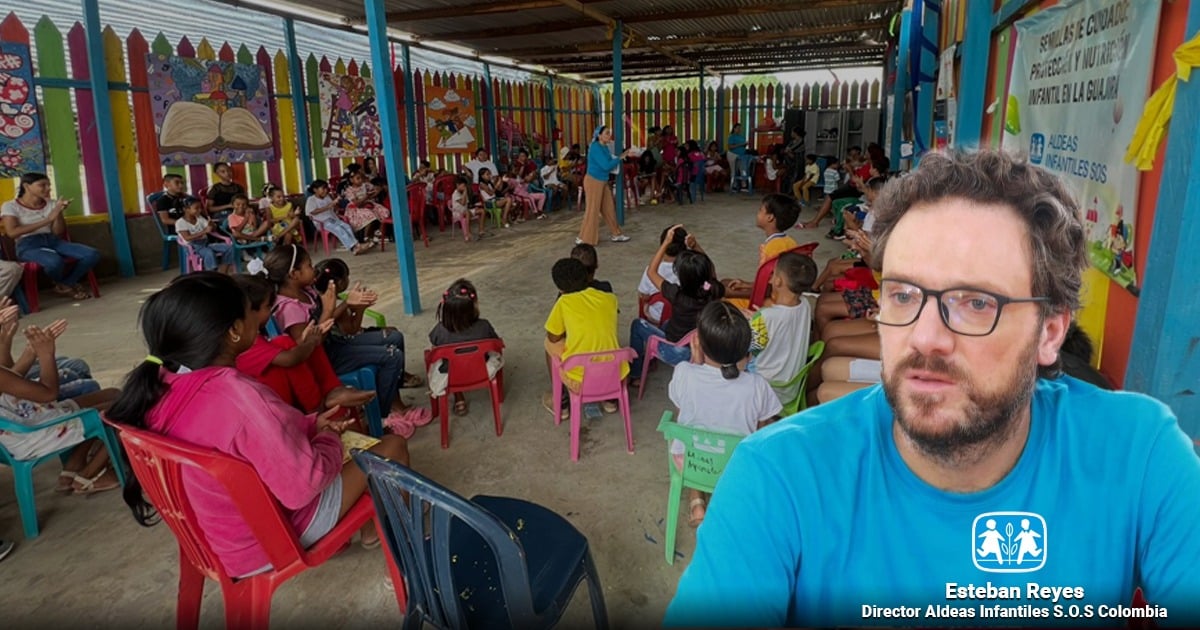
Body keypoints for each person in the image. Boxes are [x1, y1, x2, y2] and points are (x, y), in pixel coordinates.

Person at [664, 150, 1200, 627]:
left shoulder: (1139, 454)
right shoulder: (778, 477)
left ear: (1050, 331)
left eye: (977, 302)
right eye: (903, 295)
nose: (924, 337)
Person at [107, 273, 412, 577]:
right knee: (392, 448)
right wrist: (328, 439)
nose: (259, 317)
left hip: (217, 539)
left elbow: (264, 436)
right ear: (234, 330)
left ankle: (371, 528)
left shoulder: (161, 385)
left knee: (351, 452)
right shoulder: (237, 395)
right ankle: (403, 545)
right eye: (250, 310)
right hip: (268, 540)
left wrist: (312, 425)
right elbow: (305, 486)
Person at [263, 247, 429, 431]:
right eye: (308, 265)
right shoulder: (289, 308)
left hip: (334, 344)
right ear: (294, 274)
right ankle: (381, 417)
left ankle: (393, 401)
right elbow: (310, 346)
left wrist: (349, 304)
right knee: (392, 356)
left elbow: (335, 322)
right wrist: (334, 308)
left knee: (395, 337)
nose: (313, 269)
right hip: (324, 359)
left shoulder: (307, 291)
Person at [669, 301, 781, 527]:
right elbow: (762, 432)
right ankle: (732, 503)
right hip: (737, 468)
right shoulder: (757, 385)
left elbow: (683, 417)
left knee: (694, 436)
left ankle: (697, 503)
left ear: (699, 343)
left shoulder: (683, 373)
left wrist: (696, 365)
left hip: (692, 463)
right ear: (745, 349)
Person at [0, 317, 121, 495]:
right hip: (34, 434)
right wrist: (46, 354)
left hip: (24, 422)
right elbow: (48, 394)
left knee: (113, 394)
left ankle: (73, 466)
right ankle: (87, 476)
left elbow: (9, 380)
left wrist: (31, 351)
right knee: (123, 409)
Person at [233, 274, 375, 422]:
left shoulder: (252, 337)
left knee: (302, 341)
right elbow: (290, 359)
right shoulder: (246, 345)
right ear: (249, 312)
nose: (270, 311)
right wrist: (310, 341)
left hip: (282, 390)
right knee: (293, 344)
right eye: (268, 307)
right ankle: (316, 407)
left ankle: (332, 389)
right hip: (273, 404)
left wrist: (308, 340)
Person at [629, 225, 725, 383]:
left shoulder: (677, 295)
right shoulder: (711, 289)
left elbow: (651, 272)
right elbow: (711, 270)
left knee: (637, 324)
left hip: (677, 352)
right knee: (667, 322)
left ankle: (636, 374)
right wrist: (696, 246)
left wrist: (665, 243)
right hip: (701, 347)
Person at [541, 257, 625, 419]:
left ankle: (561, 402)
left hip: (581, 381)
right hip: (616, 376)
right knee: (604, 338)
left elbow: (553, 337)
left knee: (548, 344)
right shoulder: (610, 298)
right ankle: (610, 400)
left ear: (560, 289)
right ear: (587, 277)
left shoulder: (563, 302)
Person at [1, 173, 101, 301]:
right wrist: (47, 220)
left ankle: (65, 283)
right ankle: (66, 285)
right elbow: (12, 232)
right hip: (27, 245)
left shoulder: (52, 203)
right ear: (26, 186)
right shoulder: (10, 206)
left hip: (52, 240)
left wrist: (58, 212)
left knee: (92, 254)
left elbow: (58, 232)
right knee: (54, 262)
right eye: (42, 185)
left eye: (49, 185)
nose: (48, 188)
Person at [746, 252, 817, 406]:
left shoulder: (766, 317)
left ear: (778, 281)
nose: (770, 278)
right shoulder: (805, 304)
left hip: (768, 390)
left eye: (773, 274)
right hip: (791, 388)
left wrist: (751, 322)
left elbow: (750, 348)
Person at [428, 279, 501, 417]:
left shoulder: (440, 330)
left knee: (436, 354)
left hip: (450, 376)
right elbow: (496, 343)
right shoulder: (484, 326)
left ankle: (459, 398)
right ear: (474, 306)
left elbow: (434, 344)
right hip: (482, 371)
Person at [720, 193, 802, 309]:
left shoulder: (772, 247)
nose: (757, 213)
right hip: (780, 295)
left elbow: (769, 290)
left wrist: (731, 294)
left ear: (770, 218)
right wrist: (746, 284)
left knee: (720, 296)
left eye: (760, 210)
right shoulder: (789, 241)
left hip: (769, 302)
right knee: (725, 282)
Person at [576, 125, 631, 246]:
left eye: (609, 133)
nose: (609, 135)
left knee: (609, 208)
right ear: (599, 135)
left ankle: (616, 234)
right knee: (593, 210)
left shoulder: (604, 147)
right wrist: (620, 158)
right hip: (593, 181)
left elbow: (609, 162)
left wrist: (620, 157)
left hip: (603, 181)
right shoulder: (595, 147)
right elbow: (606, 165)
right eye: (606, 133)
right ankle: (585, 238)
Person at [637, 226, 689, 327]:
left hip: (657, 316)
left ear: (662, 246)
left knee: (641, 298)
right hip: (683, 315)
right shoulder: (689, 269)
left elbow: (644, 296)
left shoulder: (652, 269)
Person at [306, 180, 369, 255]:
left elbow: (334, 207)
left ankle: (357, 246)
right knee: (339, 229)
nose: (326, 190)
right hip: (322, 222)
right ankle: (353, 248)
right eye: (323, 188)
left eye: (326, 188)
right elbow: (312, 212)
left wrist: (335, 202)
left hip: (333, 219)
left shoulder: (327, 197)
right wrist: (328, 207)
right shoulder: (311, 200)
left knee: (347, 226)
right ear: (315, 190)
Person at [175, 197, 235, 274]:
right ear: (186, 209)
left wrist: (212, 225)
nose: (200, 210)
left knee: (229, 248)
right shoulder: (180, 222)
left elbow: (211, 229)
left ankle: (223, 271)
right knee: (209, 253)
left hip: (206, 244)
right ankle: (211, 273)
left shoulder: (199, 218)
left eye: (200, 208)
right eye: (196, 208)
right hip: (193, 247)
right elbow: (187, 238)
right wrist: (204, 231)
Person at [341, 171, 387, 244]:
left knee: (383, 211)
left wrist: (377, 191)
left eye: (361, 178)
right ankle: (366, 237)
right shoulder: (349, 190)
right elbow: (356, 203)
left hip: (366, 203)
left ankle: (378, 234)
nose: (361, 180)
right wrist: (366, 197)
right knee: (369, 214)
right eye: (358, 178)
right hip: (355, 208)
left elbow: (373, 191)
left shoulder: (365, 185)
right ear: (351, 180)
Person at [449, 176, 486, 241]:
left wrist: (474, 207)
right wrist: (465, 191)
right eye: (463, 186)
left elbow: (467, 204)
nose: (465, 187)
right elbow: (463, 203)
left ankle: (481, 230)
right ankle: (468, 233)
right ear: (457, 185)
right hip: (458, 213)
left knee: (482, 211)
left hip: (466, 211)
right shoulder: (455, 194)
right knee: (467, 212)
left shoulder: (463, 193)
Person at [726, 123, 749, 189]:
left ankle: (743, 184)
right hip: (732, 154)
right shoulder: (731, 137)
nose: (739, 129)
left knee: (742, 169)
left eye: (740, 128)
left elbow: (743, 146)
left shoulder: (742, 137)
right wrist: (741, 144)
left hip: (741, 155)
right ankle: (734, 185)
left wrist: (745, 145)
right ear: (734, 129)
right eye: (738, 128)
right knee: (733, 170)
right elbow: (730, 147)